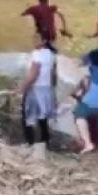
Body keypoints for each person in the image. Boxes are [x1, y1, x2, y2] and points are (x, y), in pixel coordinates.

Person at [16, 30, 57, 160]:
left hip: (35, 89)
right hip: (46, 89)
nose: (34, 40)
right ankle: (44, 145)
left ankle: (31, 144)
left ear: (44, 41)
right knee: (42, 119)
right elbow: (53, 75)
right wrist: (52, 90)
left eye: (37, 38)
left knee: (29, 118)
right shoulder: (51, 54)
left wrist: (21, 88)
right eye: (33, 37)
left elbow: (33, 74)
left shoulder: (37, 54)